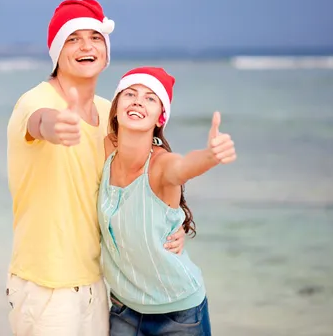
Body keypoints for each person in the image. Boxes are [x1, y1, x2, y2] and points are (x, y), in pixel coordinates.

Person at [5, 0, 186, 336]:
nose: (86, 45)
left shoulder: (110, 115)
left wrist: (173, 224)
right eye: (73, 39)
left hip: (99, 286)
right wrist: (56, 125)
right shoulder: (36, 101)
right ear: (57, 51)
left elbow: (147, 172)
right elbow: (39, 122)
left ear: (106, 52)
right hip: (47, 287)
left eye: (95, 37)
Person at [98, 66, 237, 335]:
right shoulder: (106, 150)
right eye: (130, 94)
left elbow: (184, 166)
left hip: (178, 315)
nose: (138, 100)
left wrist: (211, 156)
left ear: (160, 117)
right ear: (115, 108)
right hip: (123, 309)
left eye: (150, 98)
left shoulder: (161, 166)